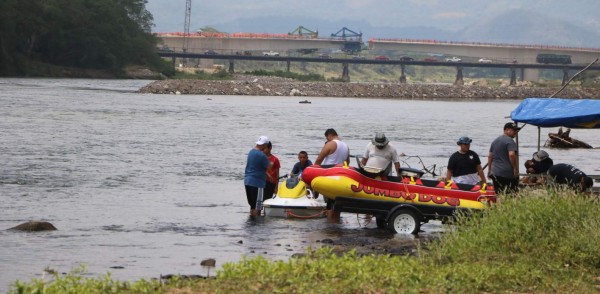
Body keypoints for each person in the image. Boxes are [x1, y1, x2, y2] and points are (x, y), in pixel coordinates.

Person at [314, 128, 349, 221]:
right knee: (337, 200)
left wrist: (313, 172)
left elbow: (319, 160)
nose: (327, 140)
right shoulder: (345, 146)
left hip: (329, 175)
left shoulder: (331, 144)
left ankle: (330, 222)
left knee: (329, 200)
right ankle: (336, 220)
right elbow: (347, 162)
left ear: (329, 135)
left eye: (327, 138)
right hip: (340, 176)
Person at [487, 122, 520, 194]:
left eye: (516, 130)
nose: (515, 132)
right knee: (512, 194)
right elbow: (511, 154)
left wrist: (489, 170)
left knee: (499, 194)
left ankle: (499, 205)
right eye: (514, 130)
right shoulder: (510, 141)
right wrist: (515, 168)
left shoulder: (495, 141)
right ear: (506, 130)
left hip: (495, 172)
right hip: (507, 173)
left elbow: (490, 156)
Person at [244, 135, 272, 216]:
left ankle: (251, 224)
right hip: (257, 183)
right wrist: (270, 161)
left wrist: (266, 174)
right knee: (258, 207)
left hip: (247, 181)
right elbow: (270, 167)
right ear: (265, 145)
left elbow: (256, 166)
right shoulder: (262, 155)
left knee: (252, 205)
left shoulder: (251, 152)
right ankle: (256, 226)